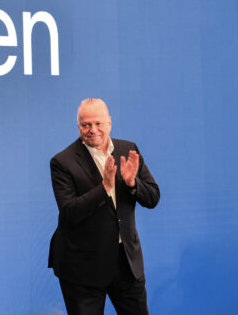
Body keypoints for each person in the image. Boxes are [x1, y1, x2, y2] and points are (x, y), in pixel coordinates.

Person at [48, 98, 160, 315]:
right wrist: (104, 187)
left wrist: (132, 183)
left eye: (98, 123)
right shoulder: (62, 162)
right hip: (82, 265)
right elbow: (70, 212)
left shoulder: (128, 149)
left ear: (109, 122)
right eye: (85, 125)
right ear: (78, 126)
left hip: (126, 262)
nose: (92, 130)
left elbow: (153, 198)